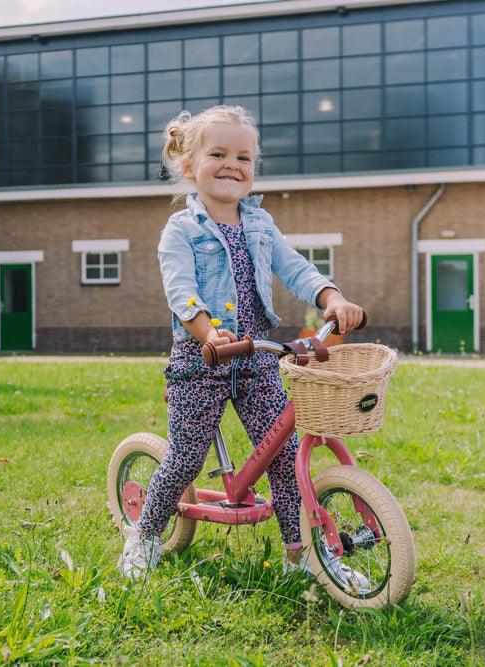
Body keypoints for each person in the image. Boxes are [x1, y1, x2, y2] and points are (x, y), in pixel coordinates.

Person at [118, 105, 365, 583]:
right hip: (201, 360)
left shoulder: (260, 223)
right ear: (189, 167)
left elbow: (295, 266)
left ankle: (303, 558)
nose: (233, 164)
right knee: (187, 456)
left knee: (286, 456)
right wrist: (208, 332)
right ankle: (145, 535)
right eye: (219, 154)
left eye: (244, 157)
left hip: (256, 359)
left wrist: (331, 296)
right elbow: (180, 289)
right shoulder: (182, 230)